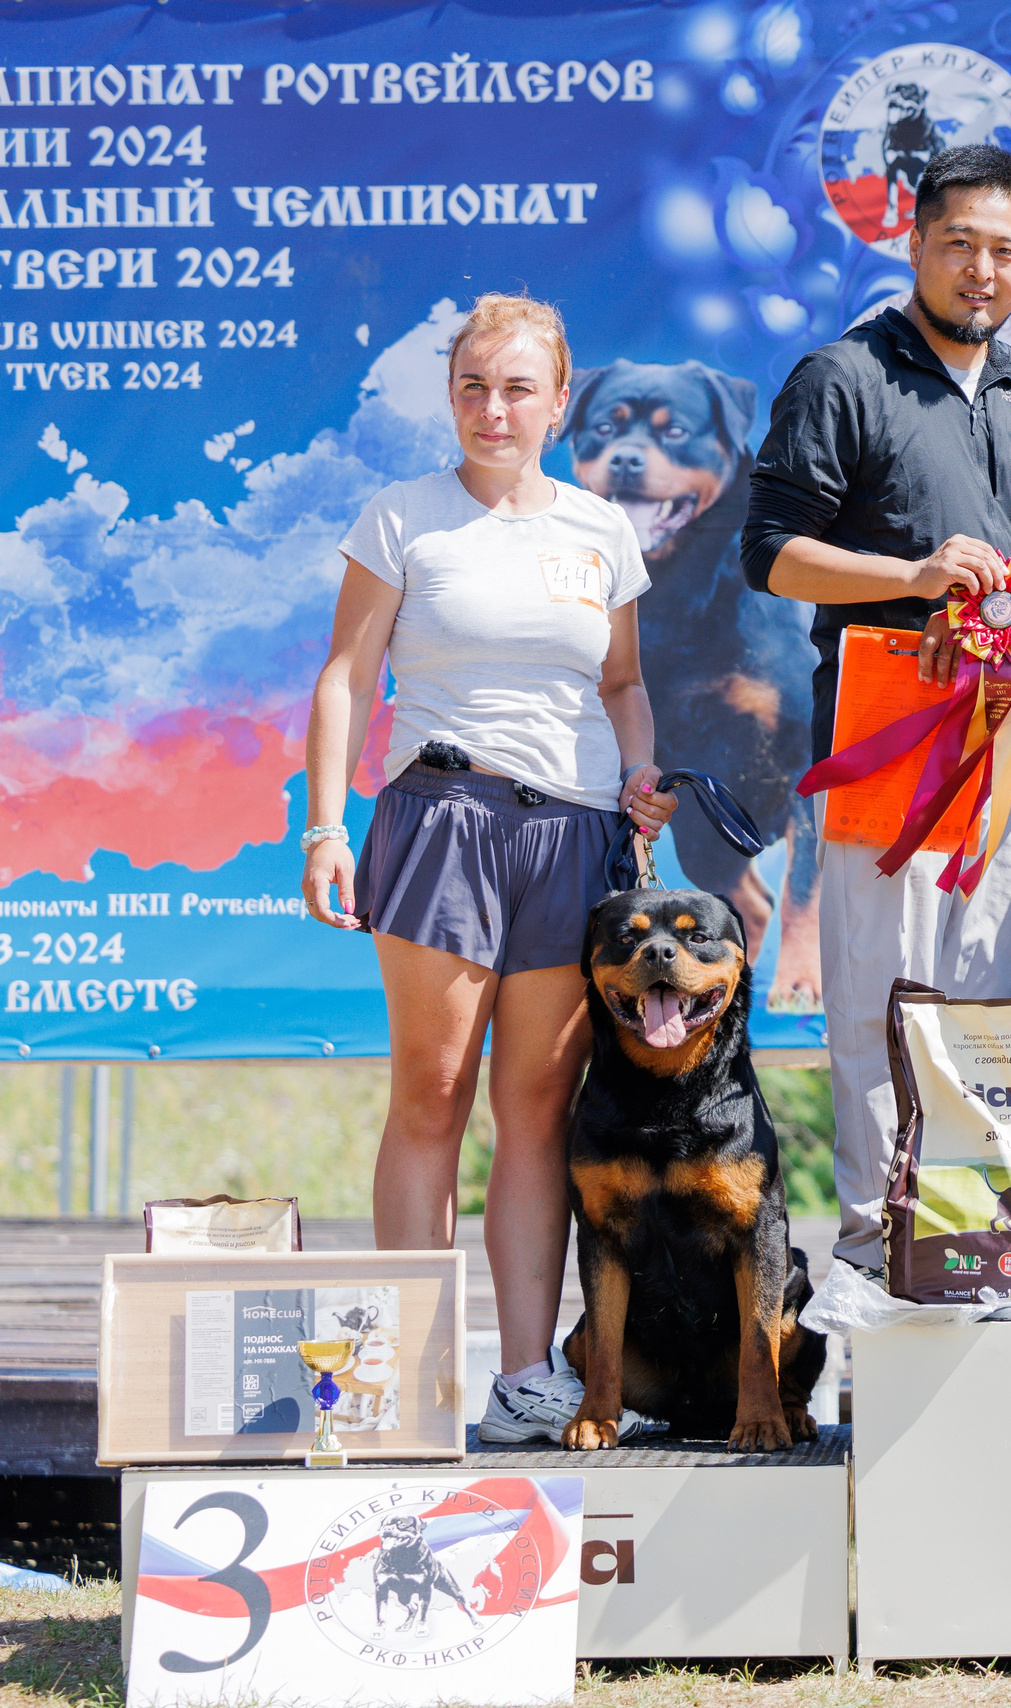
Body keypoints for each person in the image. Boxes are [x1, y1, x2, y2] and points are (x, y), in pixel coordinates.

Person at [301, 292, 678, 1443]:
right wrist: (324, 825)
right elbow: (344, 678)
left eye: (517, 387)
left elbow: (619, 686)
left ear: (559, 402)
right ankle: (408, 1381)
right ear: (450, 393)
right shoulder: (401, 517)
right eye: (472, 384)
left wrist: (641, 773)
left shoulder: (601, 531)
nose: (491, 407)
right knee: (431, 1095)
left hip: (571, 834)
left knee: (537, 1108)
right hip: (439, 818)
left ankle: (524, 1379)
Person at [740, 144, 1011, 1277]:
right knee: (877, 1006)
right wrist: (910, 576)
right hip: (883, 739)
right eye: (959, 245)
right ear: (914, 244)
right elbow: (771, 556)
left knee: (982, 1008)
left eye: (1005, 251)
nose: (981, 271)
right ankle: (867, 1249)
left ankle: (960, 1245)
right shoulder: (842, 376)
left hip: (1004, 742)